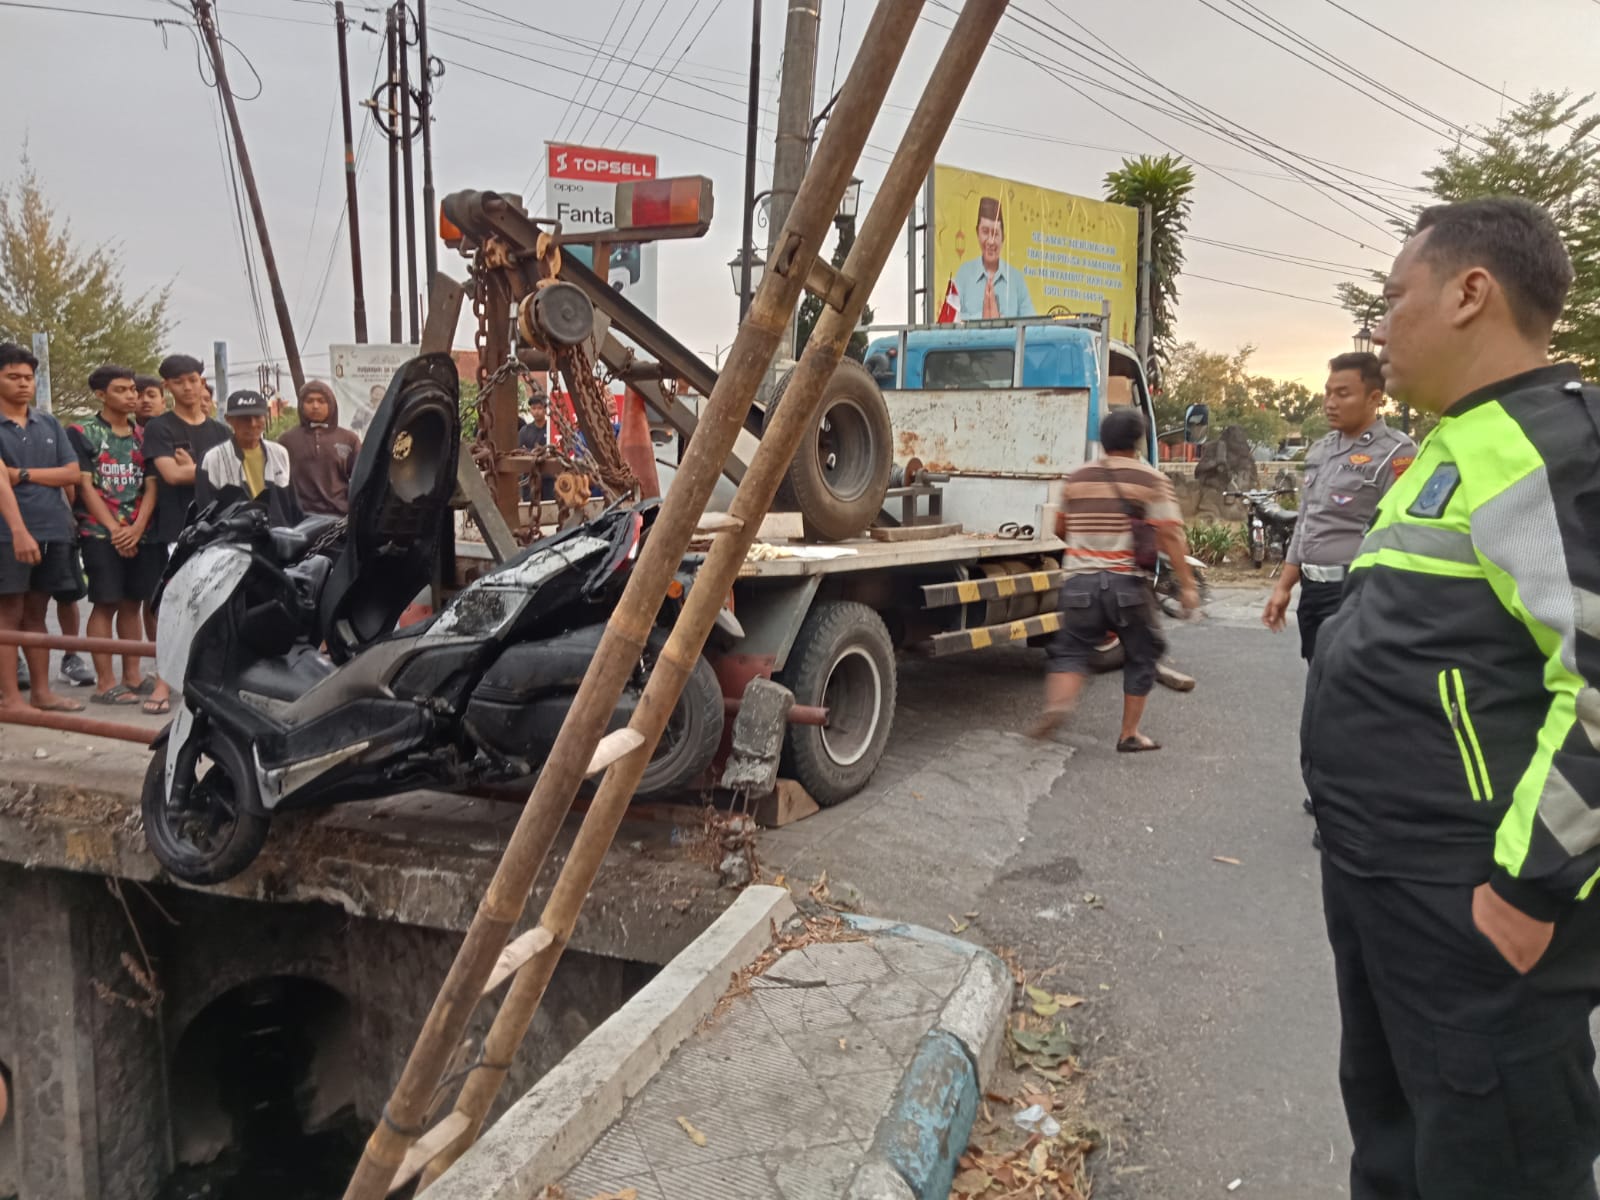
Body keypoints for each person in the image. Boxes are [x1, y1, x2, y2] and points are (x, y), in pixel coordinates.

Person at [1306, 196, 1600, 1197]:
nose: (1378, 326)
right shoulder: (1451, 443)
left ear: (1471, 292)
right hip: (1384, 883)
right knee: (1397, 1145)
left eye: (1393, 298)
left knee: (1496, 1162)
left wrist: (1531, 889)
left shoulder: (1554, 445)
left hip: (1474, 897)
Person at [1029, 407, 1198, 749]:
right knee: (1142, 652)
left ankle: (1059, 705)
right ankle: (1129, 734)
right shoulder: (1151, 479)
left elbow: (1060, 527)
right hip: (1126, 584)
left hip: (1079, 583)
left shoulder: (1077, 477)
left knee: (1071, 650)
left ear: (1103, 440)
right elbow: (1169, 536)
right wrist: (1188, 585)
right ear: (1137, 441)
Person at [1264, 352, 1416, 661]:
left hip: (1356, 594)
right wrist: (1284, 587)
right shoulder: (1321, 450)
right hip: (1313, 591)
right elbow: (1306, 522)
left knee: (1352, 691)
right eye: (1328, 392)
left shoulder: (1396, 454)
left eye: (1342, 393)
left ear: (1375, 398)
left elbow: (1402, 535)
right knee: (1318, 682)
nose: (1330, 402)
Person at [0, 342, 87, 712]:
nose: (23, 384)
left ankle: (41, 692)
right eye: (12, 377)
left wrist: (23, 474)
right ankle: (11, 698)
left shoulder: (48, 422)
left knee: (37, 614)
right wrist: (18, 530)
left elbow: (72, 472)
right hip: (8, 534)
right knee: (8, 615)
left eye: (28, 377)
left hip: (53, 531)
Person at [69, 366, 161, 705]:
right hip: (99, 531)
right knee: (105, 602)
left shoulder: (146, 436)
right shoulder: (82, 431)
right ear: (100, 394)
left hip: (141, 532)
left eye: (134, 389)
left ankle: (132, 675)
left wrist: (136, 528)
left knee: (133, 604)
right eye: (122, 390)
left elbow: (152, 486)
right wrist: (114, 529)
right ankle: (105, 683)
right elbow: (85, 485)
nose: (132, 396)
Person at [197, 389, 303, 527]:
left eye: (258, 417)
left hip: (277, 537)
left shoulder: (279, 453)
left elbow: (292, 504)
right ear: (229, 420)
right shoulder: (212, 459)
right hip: (232, 540)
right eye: (244, 418)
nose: (253, 424)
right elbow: (205, 513)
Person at [278, 379, 361, 516]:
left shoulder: (349, 439)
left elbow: (360, 480)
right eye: (309, 401)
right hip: (299, 519)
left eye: (321, 401)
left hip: (339, 518)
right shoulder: (287, 440)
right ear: (301, 405)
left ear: (331, 405)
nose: (315, 406)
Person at [953, 197, 1036, 322]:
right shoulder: (963, 274)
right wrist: (982, 317)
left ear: (1003, 237)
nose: (991, 241)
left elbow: (1033, 324)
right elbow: (949, 320)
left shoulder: (1016, 279)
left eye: (996, 233)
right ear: (977, 233)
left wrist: (1004, 322)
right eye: (985, 232)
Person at [518, 393, 554, 503]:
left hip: (549, 478)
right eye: (533, 408)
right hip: (530, 477)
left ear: (545, 409)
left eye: (539, 408)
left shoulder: (551, 429)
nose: (536, 411)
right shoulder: (525, 431)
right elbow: (519, 451)